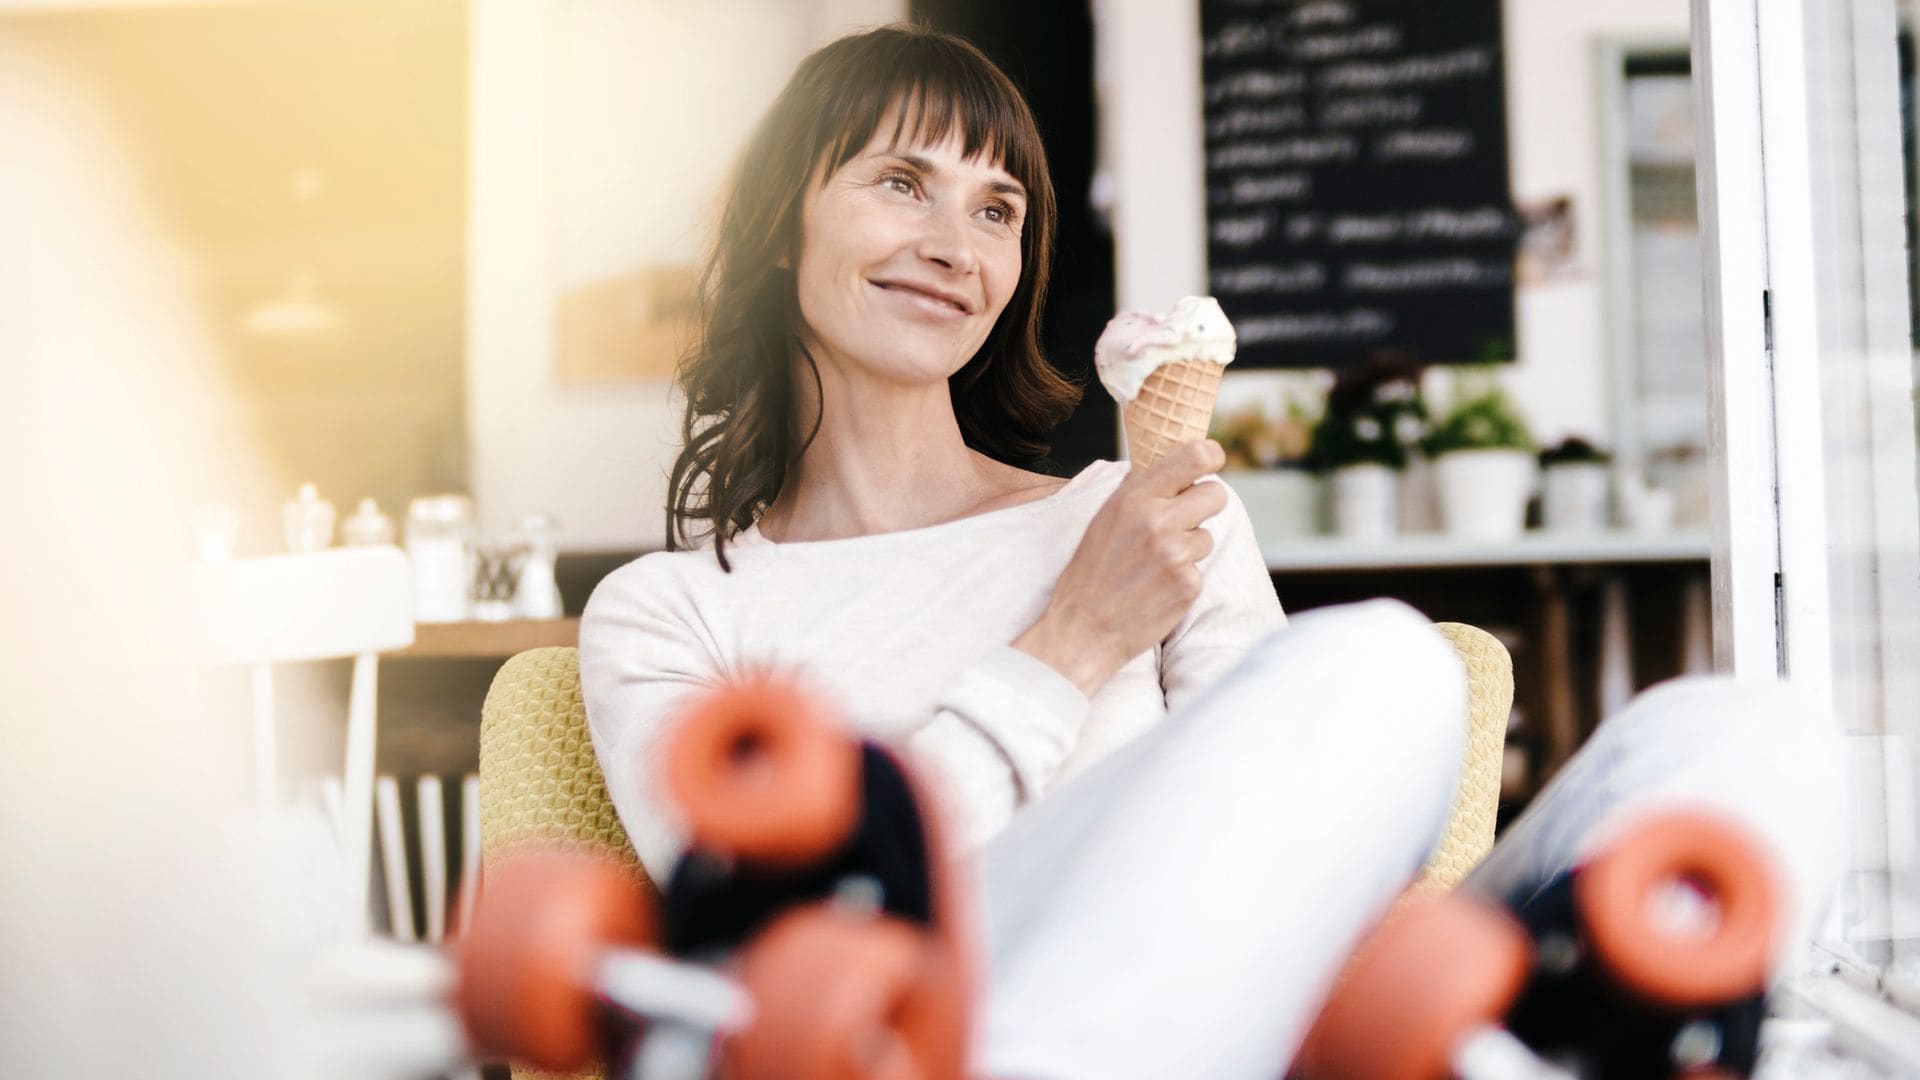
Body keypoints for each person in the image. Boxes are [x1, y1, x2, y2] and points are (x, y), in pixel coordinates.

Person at [580, 25, 1843, 1080]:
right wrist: (1071, 643)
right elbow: (772, 949)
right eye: (902, 183)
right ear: (783, 229)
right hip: (946, 1030)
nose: (958, 245)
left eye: (998, 208)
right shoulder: (671, 611)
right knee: (1377, 670)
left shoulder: (1143, 514)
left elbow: (1311, 815)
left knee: (1747, 739)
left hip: (1261, 1024)